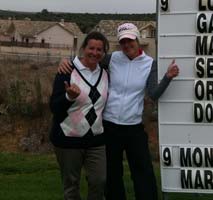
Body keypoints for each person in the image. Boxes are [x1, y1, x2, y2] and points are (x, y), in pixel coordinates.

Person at [58, 23, 179, 200]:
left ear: (138, 40)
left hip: (133, 126)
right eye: (123, 42)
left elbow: (153, 94)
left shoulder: (149, 64)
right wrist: (66, 62)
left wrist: (167, 77)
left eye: (130, 40)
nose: (127, 45)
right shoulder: (112, 58)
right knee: (112, 174)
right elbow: (89, 58)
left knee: (143, 171)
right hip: (109, 125)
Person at [50, 31, 110, 200]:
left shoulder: (105, 73)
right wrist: (69, 97)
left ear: (104, 53)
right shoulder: (67, 70)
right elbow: (54, 106)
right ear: (84, 48)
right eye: (91, 48)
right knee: (71, 187)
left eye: (100, 50)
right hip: (68, 139)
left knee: (99, 181)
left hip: (96, 140)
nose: (95, 53)